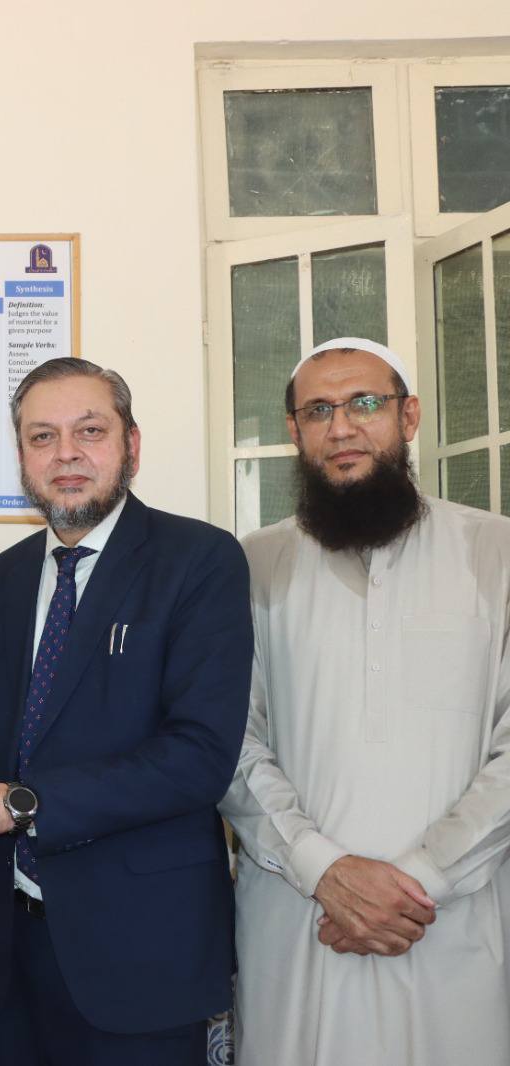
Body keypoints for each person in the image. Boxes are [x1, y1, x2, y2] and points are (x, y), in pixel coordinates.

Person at [0, 357, 252, 1064]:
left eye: (90, 431)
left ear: (131, 444)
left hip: (144, 954)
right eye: (42, 436)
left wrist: (18, 803)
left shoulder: (199, 561)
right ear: (22, 455)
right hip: (17, 951)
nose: (67, 453)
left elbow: (198, 758)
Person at [221, 337, 510, 1064]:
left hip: (452, 917)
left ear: (409, 417)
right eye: (318, 410)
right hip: (300, 916)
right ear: (294, 431)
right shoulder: (250, 564)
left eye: (365, 404)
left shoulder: (497, 551)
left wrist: (422, 879)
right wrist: (323, 869)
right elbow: (226, 739)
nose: (342, 427)